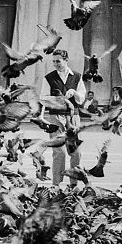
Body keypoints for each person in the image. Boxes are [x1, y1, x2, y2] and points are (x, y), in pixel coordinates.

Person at [42, 49, 86, 187]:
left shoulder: (77, 76)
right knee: (59, 152)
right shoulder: (49, 78)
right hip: (55, 116)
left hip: (73, 116)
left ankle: (73, 184)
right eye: (54, 61)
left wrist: (74, 93)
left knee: (76, 152)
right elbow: (43, 98)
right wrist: (57, 100)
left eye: (58, 61)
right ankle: (56, 185)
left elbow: (82, 98)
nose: (56, 64)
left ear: (66, 60)